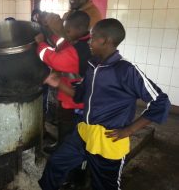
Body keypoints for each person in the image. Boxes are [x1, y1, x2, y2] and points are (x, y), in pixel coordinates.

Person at [39, 18, 171, 190]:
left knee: (104, 186)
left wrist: (129, 130)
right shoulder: (93, 65)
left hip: (109, 140)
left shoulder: (126, 70)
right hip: (84, 133)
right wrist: (58, 83)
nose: (89, 42)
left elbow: (160, 102)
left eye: (93, 38)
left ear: (106, 40)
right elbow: (80, 96)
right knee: (56, 164)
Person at [35, 11, 92, 152]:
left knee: (67, 124)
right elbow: (62, 42)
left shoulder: (78, 51)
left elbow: (52, 59)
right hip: (68, 92)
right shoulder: (80, 40)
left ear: (79, 29)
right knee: (63, 121)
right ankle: (61, 145)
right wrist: (50, 33)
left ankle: (64, 151)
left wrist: (40, 44)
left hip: (74, 99)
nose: (65, 33)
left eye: (67, 30)